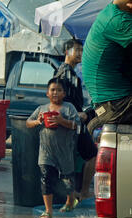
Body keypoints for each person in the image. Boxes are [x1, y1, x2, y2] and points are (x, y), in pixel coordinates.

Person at [26, 78, 80, 218]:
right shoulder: (41, 109)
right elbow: (28, 122)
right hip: (46, 152)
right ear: (47, 93)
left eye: (59, 90)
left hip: (64, 151)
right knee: (46, 178)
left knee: (67, 180)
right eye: (52, 90)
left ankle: (70, 201)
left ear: (64, 93)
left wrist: (62, 121)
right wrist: (38, 121)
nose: (55, 92)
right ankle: (48, 211)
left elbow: (77, 125)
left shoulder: (69, 108)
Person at [54, 39, 97, 201]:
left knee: (75, 157)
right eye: (77, 50)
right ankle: (83, 192)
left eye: (81, 50)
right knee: (92, 154)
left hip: (73, 121)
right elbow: (58, 98)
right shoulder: (65, 73)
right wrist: (75, 114)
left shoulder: (71, 73)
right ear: (67, 52)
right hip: (71, 122)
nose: (80, 54)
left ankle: (76, 193)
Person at [82, 0, 132, 135]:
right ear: (130, 4)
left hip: (108, 102)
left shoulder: (111, 11)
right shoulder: (119, 22)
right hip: (116, 104)